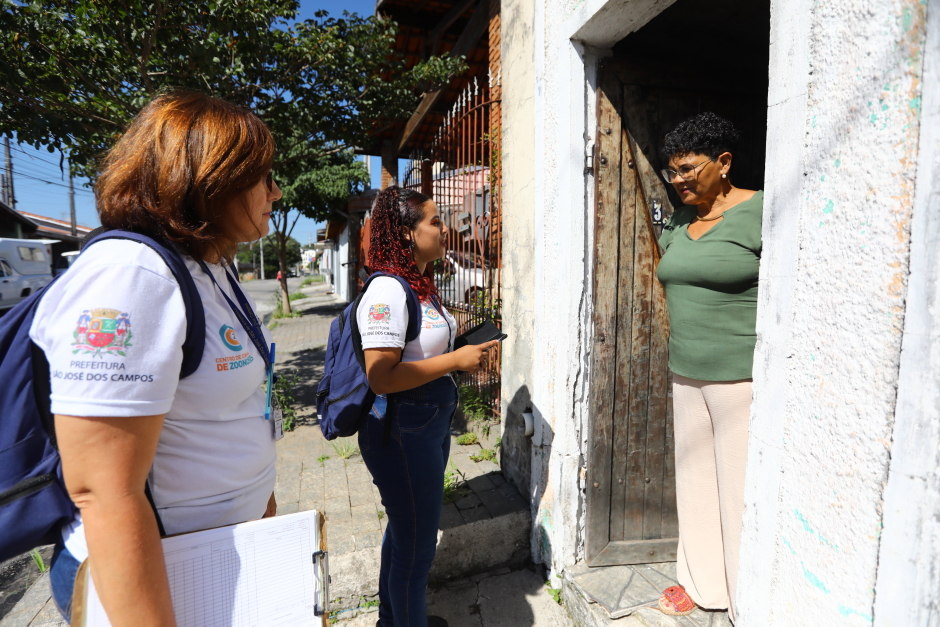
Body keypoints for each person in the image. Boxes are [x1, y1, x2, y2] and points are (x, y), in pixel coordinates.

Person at [34, 91, 282, 626]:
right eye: (262, 177)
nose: (276, 192)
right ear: (210, 179)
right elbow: (104, 489)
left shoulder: (212, 267)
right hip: (163, 574)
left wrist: (260, 504)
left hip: (215, 556)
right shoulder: (133, 275)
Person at [357, 186, 498, 627]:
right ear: (405, 234)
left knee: (405, 534)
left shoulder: (419, 284)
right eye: (435, 222)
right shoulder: (387, 291)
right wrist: (456, 361)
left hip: (428, 425)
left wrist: (462, 349)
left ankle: (389, 622)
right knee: (417, 552)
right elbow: (380, 376)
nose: (446, 229)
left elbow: (418, 353)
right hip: (402, 432)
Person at [654, 112, 762, 622]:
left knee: (738, 487)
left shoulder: (760, 212)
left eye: (688, 169)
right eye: (671, 171)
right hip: (686, 372)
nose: (678, 181)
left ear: (723, 163)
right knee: (695, 477)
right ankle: (702, 583)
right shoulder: (678, 222)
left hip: (740, 378)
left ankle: (747, 597)